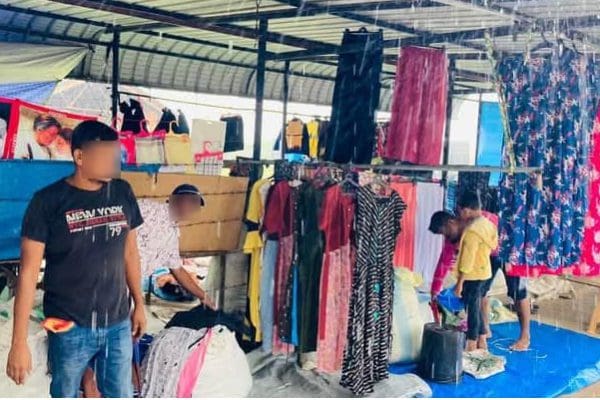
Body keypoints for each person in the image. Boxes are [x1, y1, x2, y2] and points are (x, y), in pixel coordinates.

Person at [5, 120, 146, 398]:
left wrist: (139, 302)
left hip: (117, 322)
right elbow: (29, 273)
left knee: (120, 393)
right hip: (68, 325)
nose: (113, 163)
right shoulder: (47, 201)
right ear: (80, 157)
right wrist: (18, 342)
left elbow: (130, 252)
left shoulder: (122, 192)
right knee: (65, 392)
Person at [137, 183, 215, 309]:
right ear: (174, 200)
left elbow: (177, 269)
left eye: (194, 204)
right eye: (187, 201)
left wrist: (204, 297)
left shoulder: (173, 234)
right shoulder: (149, 209)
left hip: (129, 284)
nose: (190, 207)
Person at [453, 191, 498, 352]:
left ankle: (472, 342)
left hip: (472, 274)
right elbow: (493, 245)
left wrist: (460, 282)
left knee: (472, 308)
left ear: (466, 210)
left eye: (460, 211)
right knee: (475, 305)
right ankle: (482, 337)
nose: (460, 215)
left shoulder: (472, 231)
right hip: (484, 270)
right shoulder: (488, 224)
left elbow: (467, 259)